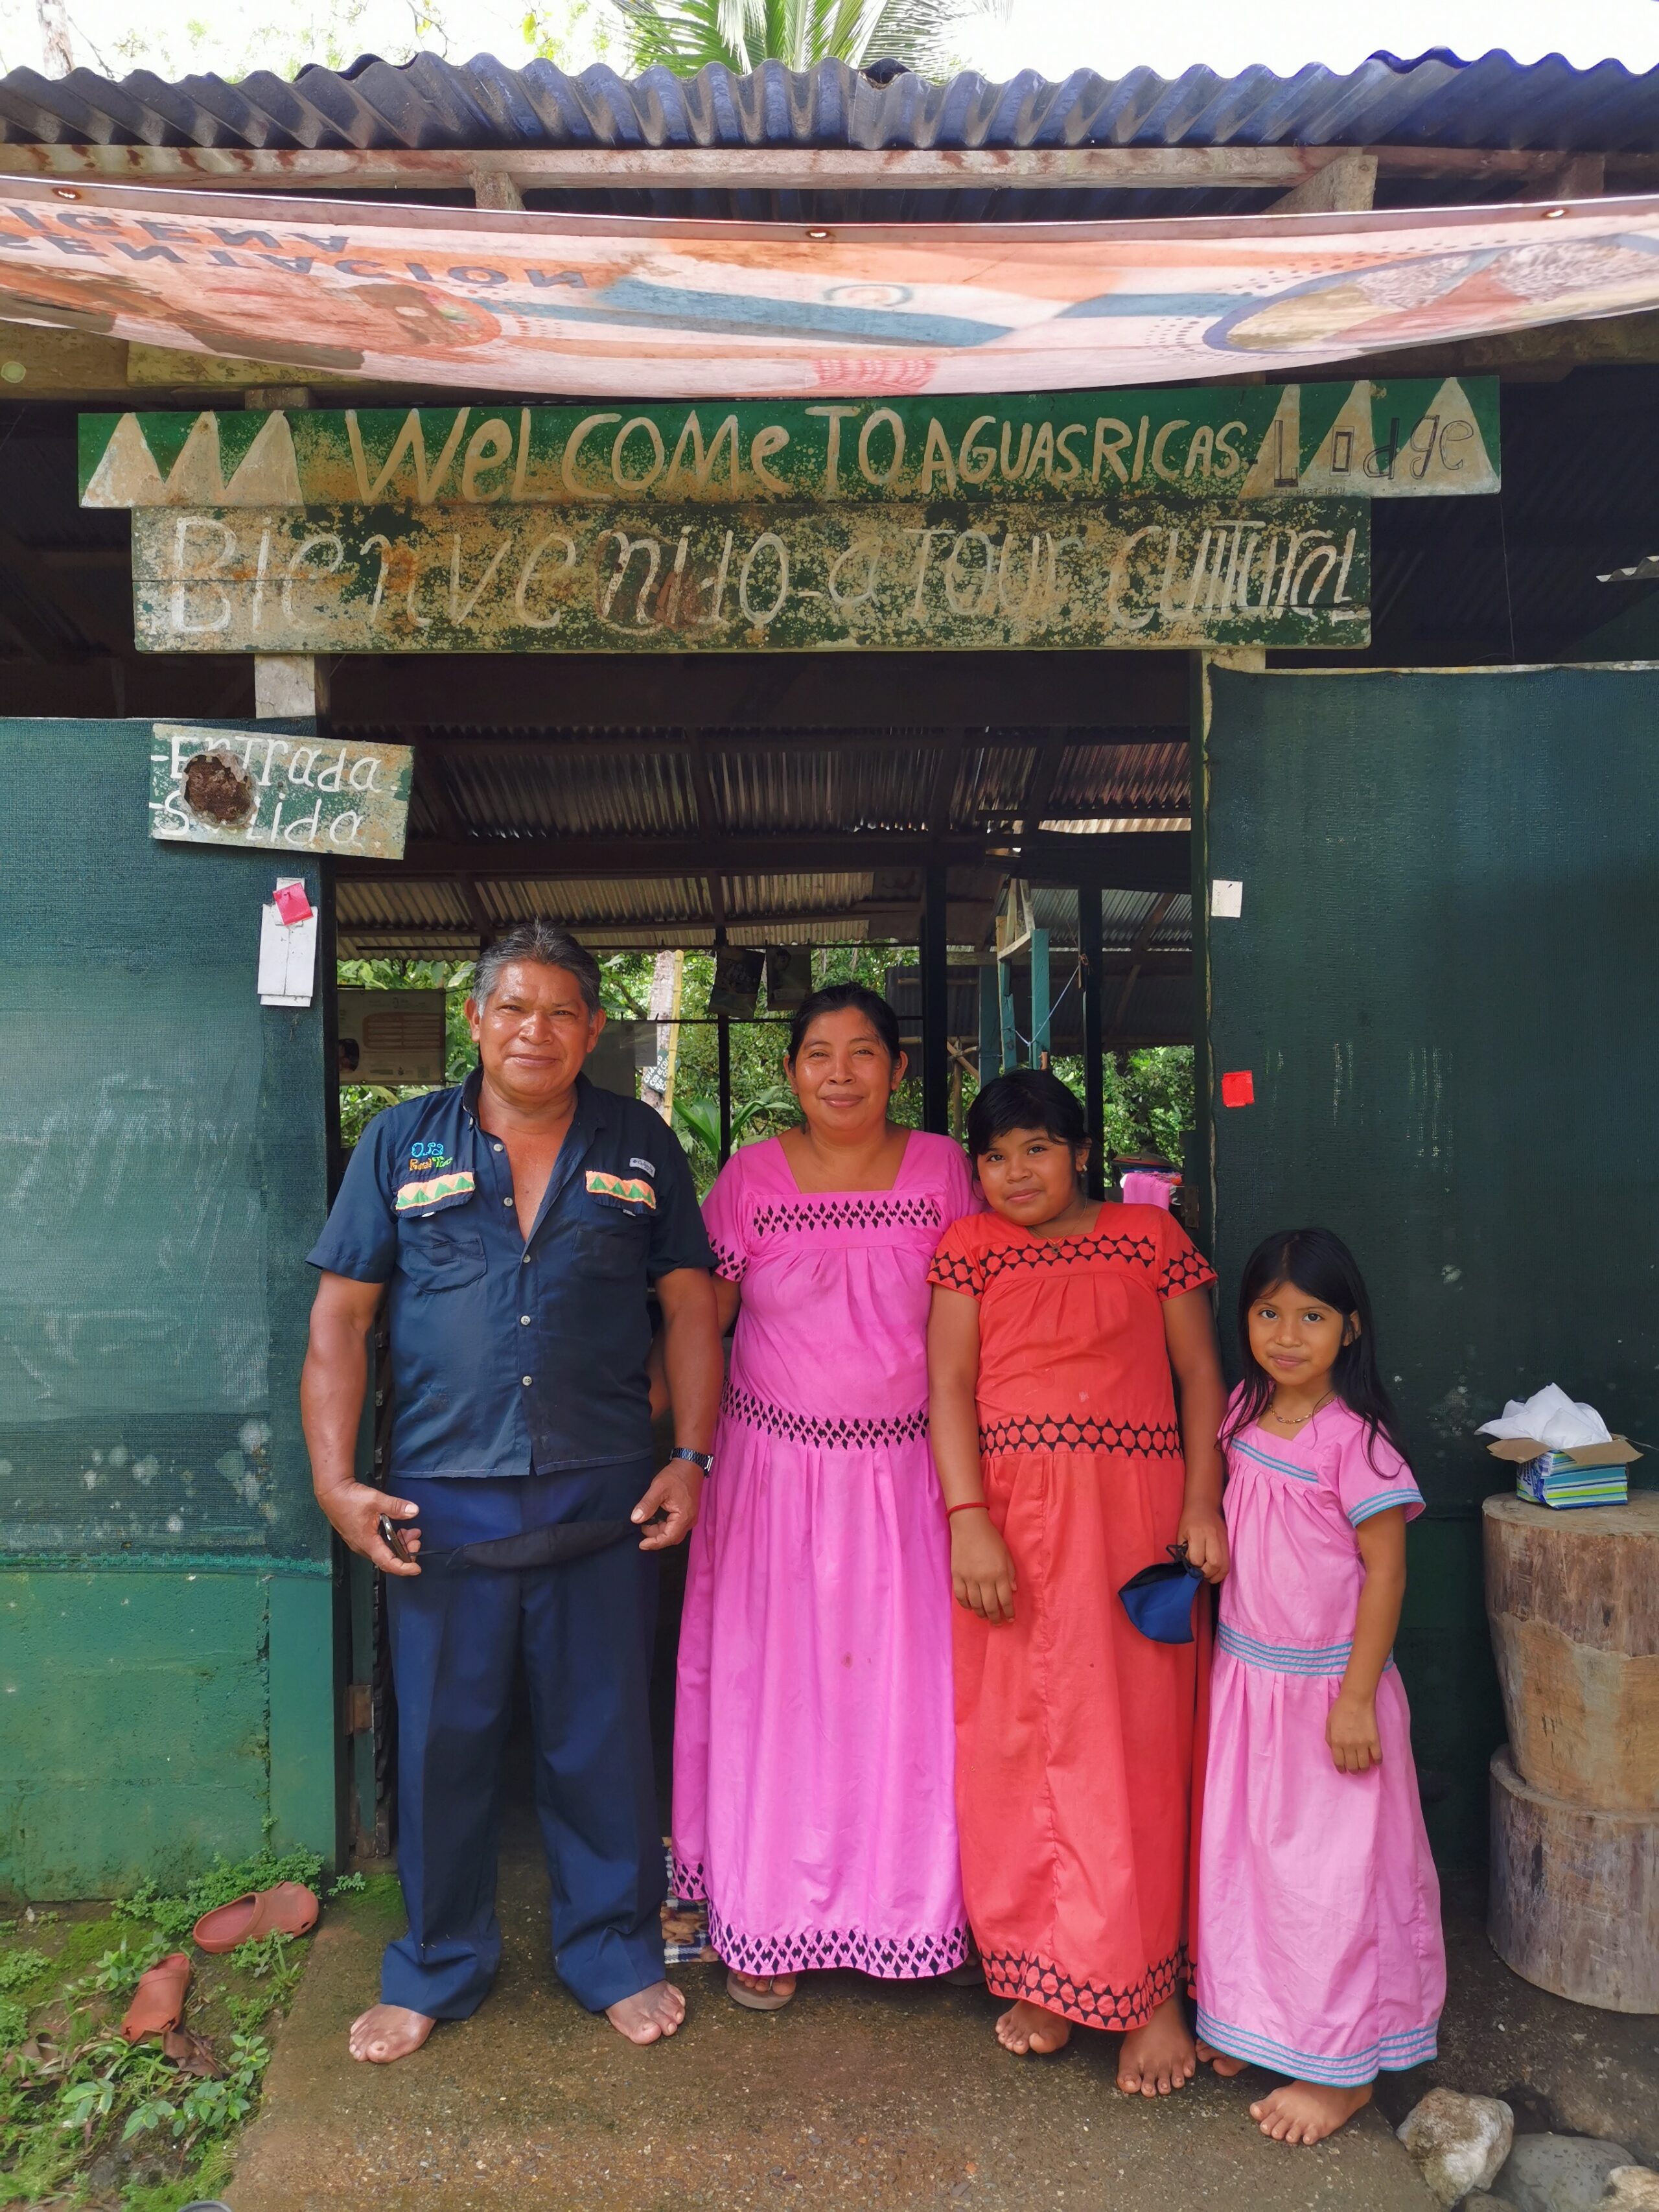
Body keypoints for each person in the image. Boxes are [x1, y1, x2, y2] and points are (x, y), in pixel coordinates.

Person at [301, 921, 722, 2062]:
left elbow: (690, 1306)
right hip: (440, 1496)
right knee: (445, 1739)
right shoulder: (399, 1144)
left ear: (593, 1028)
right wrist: (338, 1481)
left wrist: (690, 1455)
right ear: (477, 1018)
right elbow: (341, 1319)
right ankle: (437, 1962)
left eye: (561, 1011)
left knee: (601, 1735)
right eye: (513, 1007)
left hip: (603, 1488)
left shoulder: (640, 1146)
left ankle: (614, 1952)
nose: (536, 1029)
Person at [672, 983, 977, 2010]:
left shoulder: (945, 1169)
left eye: (861, 1053)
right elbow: (701, 1325)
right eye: (816, 1054)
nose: (839, 1073)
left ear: (897, 1067)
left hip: (909, 1480)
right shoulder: (750, 1178)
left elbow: (992, 1312)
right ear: (790, 1071)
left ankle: (906, 1914)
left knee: (909, 1696)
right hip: (771, 1479)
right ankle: (766, 1914)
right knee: (777, 1694)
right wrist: (688, 1450)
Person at [927, 1069, 1227, 2090]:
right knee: (1018, 1740)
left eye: (1038, 1149)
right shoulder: (967, 1250)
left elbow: (1199, 1377)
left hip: (1133, 1525)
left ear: (1082, 1151)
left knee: (1138, 1748)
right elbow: (951, 1388)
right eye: (996, 1156)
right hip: (1009, 1526)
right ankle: (1049, 1970)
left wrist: (1200, 1501)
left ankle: (1151, 1989)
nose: (1016, 1172)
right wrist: (971, 1522)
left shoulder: (1151, 1240)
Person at [1194, 1228, 1444, 2145]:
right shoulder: (1243, 1409)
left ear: (1352, 1328)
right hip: (1248, 1679)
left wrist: (1353, 1696)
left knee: (1333, 1882)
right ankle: (1265, 2024)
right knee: (1254, 1866)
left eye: (1311, 1315)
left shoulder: (1358, 1443)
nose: (1286, 1333)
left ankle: (1346, 2071)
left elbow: (1387, 1574)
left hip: (1330, 1694)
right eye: (1268, 1312)